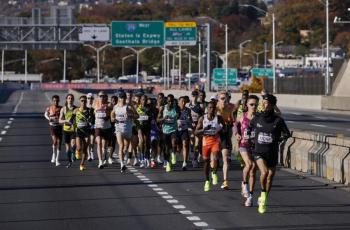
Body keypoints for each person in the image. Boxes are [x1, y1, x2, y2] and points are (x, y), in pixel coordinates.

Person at [248, 94, 290, 214]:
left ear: (272, 105)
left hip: (271, 152)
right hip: (258, 151)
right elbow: (250, 128)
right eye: (263, 102)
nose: (264, 105)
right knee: (264, 172)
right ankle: (262, 194)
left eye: (266, 103)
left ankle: (264, 197)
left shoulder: (278, 120)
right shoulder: (257, 117)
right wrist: (249, 136)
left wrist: (280, 139)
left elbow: (287, 134)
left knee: (270, 176)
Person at [234, 95, 259, 207]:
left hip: (256, 146)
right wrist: (236, 133)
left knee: (253, 170)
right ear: (247, 105)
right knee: (249, 164)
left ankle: (250, 196)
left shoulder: (259, 118)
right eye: (251, 104)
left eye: (256, 104)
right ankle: (244, 184)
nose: (254, 106)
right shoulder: (242, 116)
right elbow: (235, 124)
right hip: (244, 144)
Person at [195, 101, 225, 191]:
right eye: (209, 108)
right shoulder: (202, 119)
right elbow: (196, 132)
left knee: (215, 157)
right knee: (206, 161)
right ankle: (207, 181)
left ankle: (214, 172)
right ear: (207, 109)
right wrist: (203, 130)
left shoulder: (218, 118)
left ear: (215, 109)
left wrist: (220, 128)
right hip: (205, 142)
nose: (211, 110)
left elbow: (225, 128)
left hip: (215, 140)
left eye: (213, 108)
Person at [111, 91, 138, 173]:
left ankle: (123, 157)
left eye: (123, 98)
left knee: (125, 148)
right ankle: (122, 164)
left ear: (125, 98)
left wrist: (131, 115)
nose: (122, 99)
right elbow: (112, 115)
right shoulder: (115, 107)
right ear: (119, 98)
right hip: (118, 128)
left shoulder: (129, 107)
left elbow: (137, 116)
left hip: (128, 129)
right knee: (121, 145)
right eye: (121, 98)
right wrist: (113, 119)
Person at [216, 91, 236, 189]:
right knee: (214, 159)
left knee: (225, 159)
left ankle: (225, 181)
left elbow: (236, 120)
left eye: (226, 98)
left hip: (225, 134)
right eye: (222, 98)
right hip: (214, 135)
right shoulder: (214, 107)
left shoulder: (232, 107)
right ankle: (213, 171)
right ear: (218, 99)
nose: (225, 100)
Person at [72, 95, 95, 171]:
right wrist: (72, 124)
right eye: (82, 101)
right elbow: (71, 120)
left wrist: (91, 123)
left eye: (85, 101)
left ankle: (82, 164)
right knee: (79, 147)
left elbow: (93, 121)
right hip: (79, 131)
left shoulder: (90, 110)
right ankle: (77, 151)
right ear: (79, 101)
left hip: (87, 131)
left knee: (85, 149)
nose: (84, 102)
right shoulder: (76, 110)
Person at [157, 94, 178, 172]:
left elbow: (179, 115)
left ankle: (173, 155)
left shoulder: (176, 108)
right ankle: (168, 163)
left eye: (172, 101)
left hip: (174, 129)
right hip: (165, 131)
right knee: (166, 148)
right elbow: (158, 120)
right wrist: (163, 118)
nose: (170, 103)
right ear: (167, 101)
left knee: (174, 143)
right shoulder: (163, 108)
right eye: (169, 101)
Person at [94, 91, 113, 169]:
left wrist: (108, 115)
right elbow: (92, 110)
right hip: (98, 127)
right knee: (99, 143)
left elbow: (112, 110)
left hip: (107, 127)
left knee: (104, 146)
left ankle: (104, 156)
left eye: (103, 96)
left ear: (106, 97)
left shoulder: (109, 104)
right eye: (100, 96)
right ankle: (100, 162)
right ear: (98, 97)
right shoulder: (95, 104)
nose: (102, 97)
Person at [44, 95, 62, 166]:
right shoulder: (49, 108)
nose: (56, 102)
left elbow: (64, 115)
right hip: (52, 126)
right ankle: (53, 154)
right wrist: (49, 118)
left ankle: (57, 159)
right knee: (55, 141)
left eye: (57, 100)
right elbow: (45, 114)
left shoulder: (61, 108)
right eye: (54, 101)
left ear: (59, 101)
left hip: (59, 126)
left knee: (59, 142)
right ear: (52, 101)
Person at [59, 94, 77, 168]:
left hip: (73, 129)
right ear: (66, 99)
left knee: (73, 144)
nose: (70, 99)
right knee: (67, 147)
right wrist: (66, 120)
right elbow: (60, 120)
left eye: (72, 98)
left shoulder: (76, 109)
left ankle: (73, 153)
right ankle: (69, 161)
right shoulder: (63, 109)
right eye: (69, 98)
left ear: (73, 100)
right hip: (66, 130)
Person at [188, 90, 204, 168]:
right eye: (193, 95)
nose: (194, 97)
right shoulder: (188, 105)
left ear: (197, 96)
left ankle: (195, 159)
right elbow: (185, 115)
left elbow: (202, 116)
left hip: (198, 126)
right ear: (191, 96)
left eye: (195, 96)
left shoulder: (201, 106)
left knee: (197, 144)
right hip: (190, 126)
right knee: (191, 141)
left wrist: (199, 124)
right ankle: (191, 152)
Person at [136, 94, 152, 168]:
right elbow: (135, 116)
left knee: (147, 143)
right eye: (143, 99)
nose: (144, 101)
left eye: (145, 100)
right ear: (140, 100)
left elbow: (152, 116)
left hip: (147, 127)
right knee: (142, 141)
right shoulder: (137, 107)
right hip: (140, 127)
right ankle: (141, 158)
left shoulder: (149, 108)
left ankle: (147, 157)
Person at [177, 96, 192, 170]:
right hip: (176, 130)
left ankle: (184, 162)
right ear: (178, 102)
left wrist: (190, 123)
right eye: (181, 101)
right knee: (178, 147)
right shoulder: (176, 109)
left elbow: (190, 120)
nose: (183, 103)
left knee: (185, 144)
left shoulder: (188, 110)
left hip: (184, 129)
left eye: (184, 101)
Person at [107, 95, 118, 164]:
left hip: (115, 127)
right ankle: (105, 156)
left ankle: (110, 157)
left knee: (113, 143)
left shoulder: (118, 108)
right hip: (107, 127)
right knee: (107, 143)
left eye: (115, 101)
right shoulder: (108, 107)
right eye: (112, 100)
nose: (113, 102)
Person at [86, 93, 95, 161]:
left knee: (92, 141)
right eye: (88, 98)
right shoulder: (84, 106)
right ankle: (88, 155)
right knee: (87, 141)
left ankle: (91, 151)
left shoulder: (94, 106)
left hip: (93, 125)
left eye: (91, 98)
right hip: (86, 126)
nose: (90, 100)